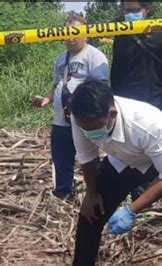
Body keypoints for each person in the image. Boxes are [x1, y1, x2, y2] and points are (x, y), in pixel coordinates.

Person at [69, 80, 162, 265]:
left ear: (112, 114)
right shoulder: (80, 118)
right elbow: (87, 157)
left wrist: (132, 209)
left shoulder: (149, 125)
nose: (88, 132)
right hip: (123, 159)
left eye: (94, 127)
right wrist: (92, 193)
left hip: (154, 158)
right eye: (84, 127)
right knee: (90, 214)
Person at [32, 15, 109, 200]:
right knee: (61, 159)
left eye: (75, 33)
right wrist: (45, 99)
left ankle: (97, 194)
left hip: (83, 120)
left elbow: (99, 87)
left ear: (86, 35)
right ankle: (63, 193)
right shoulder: (61, 59)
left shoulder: (94, 56)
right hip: (61, 121)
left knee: (89, 159)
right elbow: (56, 85)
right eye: (67, 34)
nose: (71, 38)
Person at [111, 0, 162, 200]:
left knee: (157, 146)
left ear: (147, 10)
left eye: (134, 10)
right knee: (134, 150)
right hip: (129, 101)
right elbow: (117, 69)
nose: (129, 14)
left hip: (156, 98)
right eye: (126, 11)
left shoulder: (159, 33)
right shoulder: (122, 36)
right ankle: (138, 193)